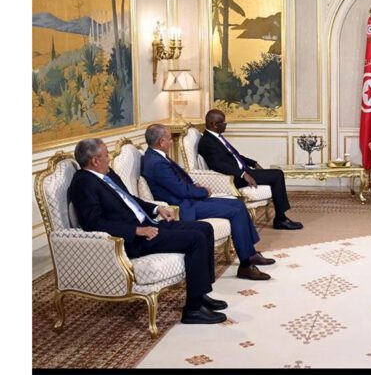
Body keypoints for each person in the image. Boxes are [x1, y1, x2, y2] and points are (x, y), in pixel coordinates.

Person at [67, 138, 227, 324]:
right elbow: (93, 223)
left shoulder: (107, 174)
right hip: (132, 239)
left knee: (205, 228)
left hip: (148, 224)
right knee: (196, 239)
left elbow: (130, 199)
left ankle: (200, 293)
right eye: (106, 155)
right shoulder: (84, 183)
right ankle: (193, 310)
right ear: (94, 160)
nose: (109, 158)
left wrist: (157, 209)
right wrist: (136, 230)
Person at [141, 124, 275, 281]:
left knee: (238, 203)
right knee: (235, 211)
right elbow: (180, 190)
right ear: (161, 142)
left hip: (189, 199)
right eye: (170, 139)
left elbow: (179, 182)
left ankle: (250, 254)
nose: (171, 142)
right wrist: (204, 191)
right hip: (184, 206)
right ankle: (246, 265)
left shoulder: (156, 156)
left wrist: (194, 186)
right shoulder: (156, 163)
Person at [198, 109, 303, 230]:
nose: (226, 124)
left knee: (276, 174)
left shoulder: (216, 137)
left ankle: (281, 218)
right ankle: (281, 219)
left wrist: (253, 163)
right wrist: (243, 174)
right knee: (277, 175)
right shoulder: (207, 142)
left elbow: (235, 156)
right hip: (233, 177)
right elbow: (218, 165)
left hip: (242, 172)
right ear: (214, 124)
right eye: (223, 122)